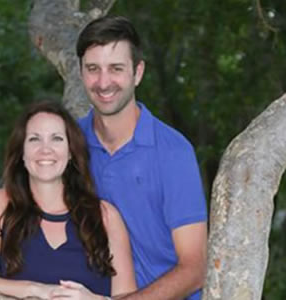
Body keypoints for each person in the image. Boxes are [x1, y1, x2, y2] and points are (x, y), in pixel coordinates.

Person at [76, 16, 208, 300]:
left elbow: (196, 267)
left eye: (116, 69)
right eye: (93, 69)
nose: (103, 82)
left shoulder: (173, 152)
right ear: (80, 73)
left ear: (137, 73)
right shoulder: (67, 144)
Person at [0, 101, 136, 299]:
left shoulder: (106, 216)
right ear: (21, 153)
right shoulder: (3, 203)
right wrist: (33, 290)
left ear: (70, 153)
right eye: (34, 139)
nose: (45, 149)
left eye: (56, 139)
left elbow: (127, 296)